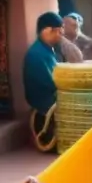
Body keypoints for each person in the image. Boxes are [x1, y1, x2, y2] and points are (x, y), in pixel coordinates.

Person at [24, 12, 70, 152]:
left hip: (53, 96)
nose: (60, 35)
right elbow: (49, 82)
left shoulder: (48, 50)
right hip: (45, 102)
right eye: (57, 31)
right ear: (47, 30)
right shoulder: (36, 54)